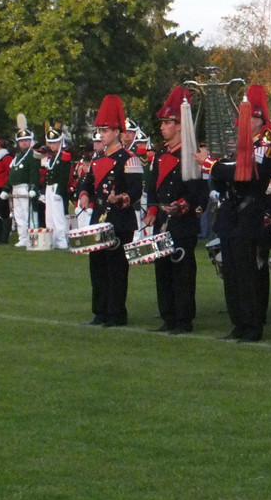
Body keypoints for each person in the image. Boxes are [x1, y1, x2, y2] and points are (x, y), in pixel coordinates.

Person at [201, 84, 271, 343]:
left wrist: (210, 164)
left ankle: (252, 324)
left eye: (251, 119)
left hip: (250, 213)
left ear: (259, 121)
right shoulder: (237, 149)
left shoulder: (263, 147)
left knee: (248, 274)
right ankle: (238, 323)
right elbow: (223, 177)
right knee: (232, 274)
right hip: (231, 213)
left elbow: (242, 173)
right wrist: (215, 173)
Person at [144, 87, 208, 334]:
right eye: (162, 123)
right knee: (162, 270)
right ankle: (168, 316)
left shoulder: (191, 154)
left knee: (182, 271)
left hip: (182, 222)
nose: (162, 127)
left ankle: (183, 319)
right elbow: (152, 187)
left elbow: (199, 192)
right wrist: (152, 210)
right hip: (162, 220)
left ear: (180, 125)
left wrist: (182, 205)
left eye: (167, 123)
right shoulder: (160, 154)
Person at [76, 95, 143, 327]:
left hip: (120, 221)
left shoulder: (129, 159)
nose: (101, 135)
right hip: (99, 219)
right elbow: (86, 183)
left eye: (105, 130)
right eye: (100, 130)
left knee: (116, 269)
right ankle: (100, 312)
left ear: (116, 132)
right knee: (97, 267)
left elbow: (135, 191)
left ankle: (116, 313)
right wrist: (84, 195)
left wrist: (121, 198)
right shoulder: (97, 159)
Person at [5, 125, 42, 247]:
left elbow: (34, 173)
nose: (24, 143)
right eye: (21, 141)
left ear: (30, 141)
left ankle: (33, 239)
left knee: (29, 214)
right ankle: (23, 238)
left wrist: (33, 188)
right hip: (16, 189)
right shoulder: (18, 156)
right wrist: (6, 188)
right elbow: (12, 174)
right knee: (19, 215)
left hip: (26, 188)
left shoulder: (33, 155)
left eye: (26, 140)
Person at [42, 126, 72, 250]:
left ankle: (62, 240)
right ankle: (52, 239)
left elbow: (64, 176)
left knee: (58, 216)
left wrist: (59, 191)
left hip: (57, 187)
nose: (52, 145)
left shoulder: (64, 155)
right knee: (49, 215)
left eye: (54, 142)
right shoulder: (53, 157)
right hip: (49, 187)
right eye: (50, 143)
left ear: (60, 142)